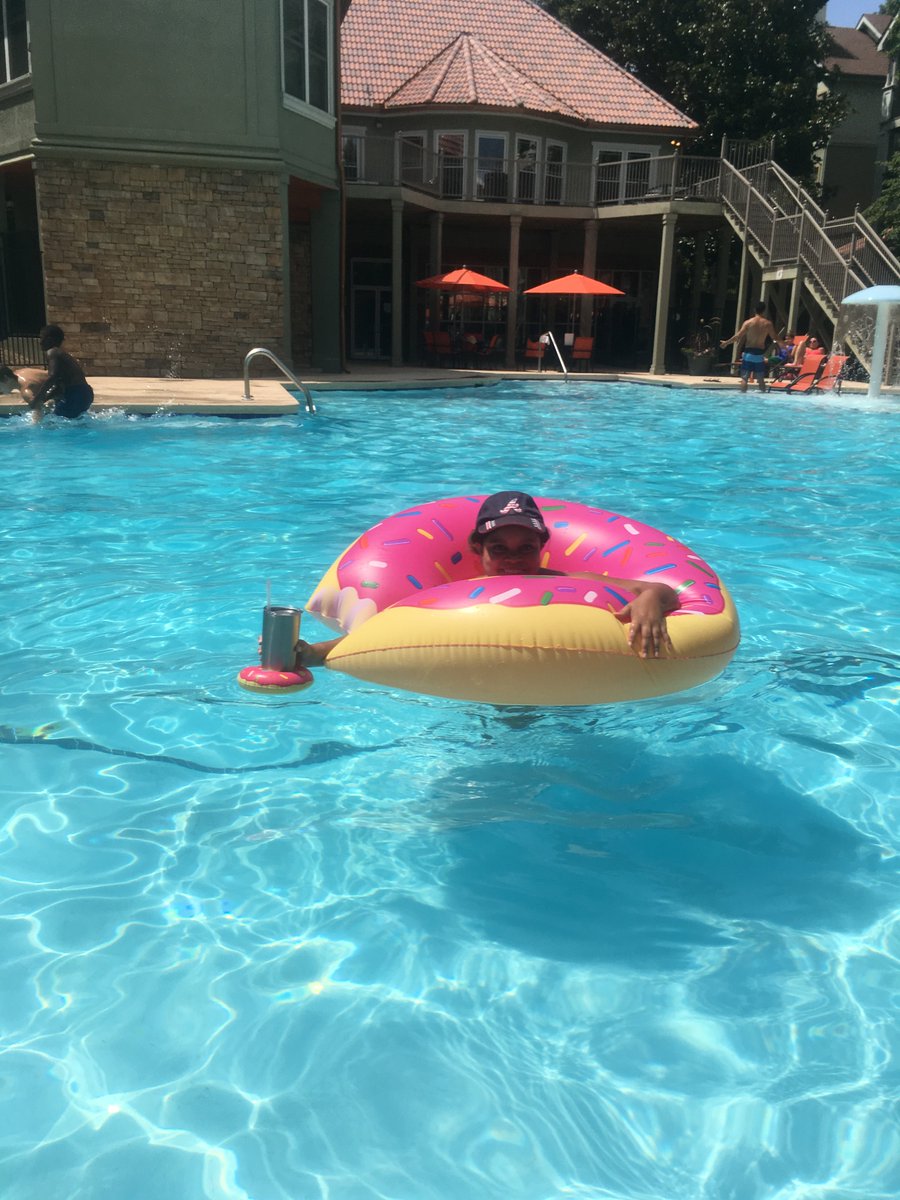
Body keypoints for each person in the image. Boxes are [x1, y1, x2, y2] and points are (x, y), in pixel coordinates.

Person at [294, 491, 679, 668]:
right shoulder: (455, 598)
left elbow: (658, 590)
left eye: (525, 547)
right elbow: (390, 631)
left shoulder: (565, 581)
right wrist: (314, 653)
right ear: (478, 549)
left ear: (542, 546)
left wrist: (650, 600)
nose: (513, 559)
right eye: (500, 549)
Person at [22, 325, 94, 423]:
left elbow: (53, 377)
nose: (40, 342)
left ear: (50, 340)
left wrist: (38, 398)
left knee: (55, 425)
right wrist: (44, 399)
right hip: (84, 393)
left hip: (75, 394)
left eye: (41, 338)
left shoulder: (52, 352)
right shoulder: (61, 354)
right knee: (71, 424)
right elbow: (59, 387)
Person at [720, 302, 781, 393]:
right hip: (759, 355)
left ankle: (743, 398)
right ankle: (763, 398)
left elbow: (738, 336)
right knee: (760, 380)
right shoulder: (767, 324)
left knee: (745, 378)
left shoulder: (748, 323)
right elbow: (774, 338)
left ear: (754, 310)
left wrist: (726, 342)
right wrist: (784, 345)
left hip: (748, 354)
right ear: (764, 311)